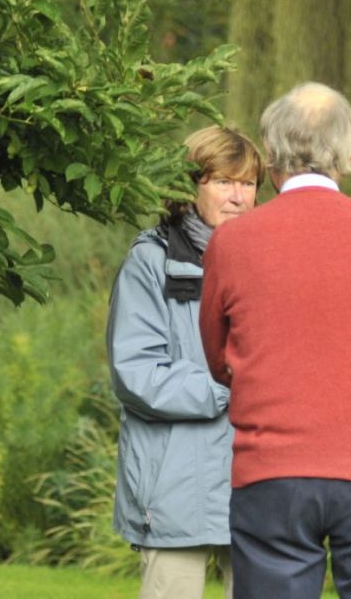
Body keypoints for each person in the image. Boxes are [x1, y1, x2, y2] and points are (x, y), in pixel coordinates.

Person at [199, 82, 351, 599]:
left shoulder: (232, 241)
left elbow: (217, 354)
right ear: (347, 153)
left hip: (273, 463)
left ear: (271, 152)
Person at [107, 125, 263, 599]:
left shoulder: (268, 261)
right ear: (189, 187)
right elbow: (137, 372)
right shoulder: (151, 260)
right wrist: (231, 387)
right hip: (174, 484)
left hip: (255, 481)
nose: (238, 197)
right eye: (222, 182)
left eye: (248, 183)